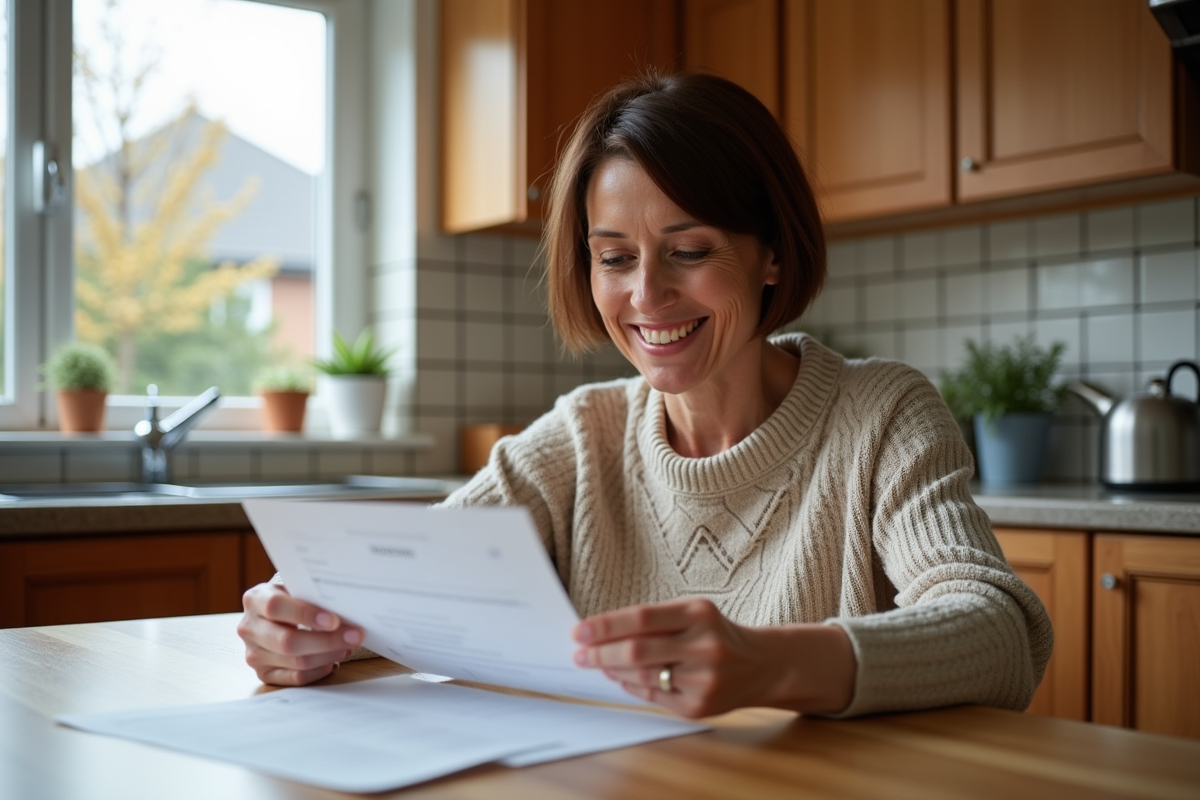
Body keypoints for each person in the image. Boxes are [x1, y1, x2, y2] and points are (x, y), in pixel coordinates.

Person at [238, 71, 1052, 720]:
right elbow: (414, 597)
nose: (647, 296)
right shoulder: (579, 438)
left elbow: (1000, 632)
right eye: (615, 257)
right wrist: (308, 628)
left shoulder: (881, 414)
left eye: (689, 249)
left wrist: (767, 663)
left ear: (771, 253)